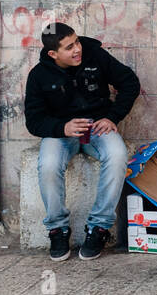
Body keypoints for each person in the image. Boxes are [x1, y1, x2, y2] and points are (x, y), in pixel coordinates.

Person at [24, 23, 140, 262]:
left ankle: (99, 227)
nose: (77, 49)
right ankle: (57, 229)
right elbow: (34, 121)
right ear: (53, 54)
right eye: (69, 47)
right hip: (61, 132)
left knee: (117, 155)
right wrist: (61, 128)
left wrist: (112, 116)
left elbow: (130, 82)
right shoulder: (38, 76)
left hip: (98, 127)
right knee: (48, 164)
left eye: (77, 42)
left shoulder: (95, 55)